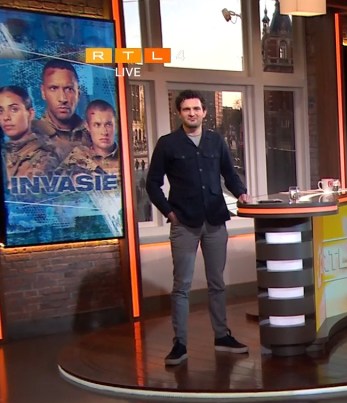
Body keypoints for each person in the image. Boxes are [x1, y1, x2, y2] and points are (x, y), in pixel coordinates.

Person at [146, 89, 251, 366]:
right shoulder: (168, 144)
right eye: (186, 109)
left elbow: (229, 174)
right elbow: (152, 184)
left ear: (204, 112)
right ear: (179, 113)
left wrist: (241, 192)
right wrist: (169, 213)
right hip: (184, 223)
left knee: (218, 283)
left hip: (215, 220)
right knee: (181, 286)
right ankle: (179, 344)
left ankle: (222, 336)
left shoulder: (216, 141)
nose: (192, 113)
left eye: (196, 109)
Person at [32, 59, 89, 158]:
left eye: (69, 89)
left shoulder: (94, 135)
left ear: (78, 93)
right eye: (53, 88)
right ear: (43, 92)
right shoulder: (30, 138)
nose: (62, 99)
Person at [0, 85, 60, 179]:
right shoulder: (5, 153)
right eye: (0, 111)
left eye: (14, 109)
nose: (6, 117)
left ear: (30, 114)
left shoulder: (45, 157)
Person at [60, 99, 120, 174]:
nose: (104, 132)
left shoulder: (126, 155)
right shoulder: (75, 158)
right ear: (87, 127)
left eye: (108, 124)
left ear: (116, 126)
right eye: (97, 125)